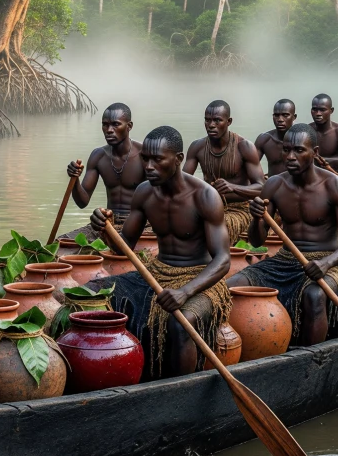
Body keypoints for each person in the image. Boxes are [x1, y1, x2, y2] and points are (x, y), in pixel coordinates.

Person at [86, 126, 232, 380]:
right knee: (92, 291)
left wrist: (185, 292)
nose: (149, 166)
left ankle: (180, 390)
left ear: (178, 159)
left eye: (157, 160)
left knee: (180, 322)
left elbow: (223, 260)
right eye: (145, 159)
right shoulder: (144, 192)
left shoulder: (205, 196)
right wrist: (104, 229)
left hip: (200, 281)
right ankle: (115, 370)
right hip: (157, 273)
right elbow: (123, 246)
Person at [229, 124, 338, 345]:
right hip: (284, 260)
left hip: (326, 262)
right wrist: (256, 218)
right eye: (286, 150)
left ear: (315, 152)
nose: (290, 157)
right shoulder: (274, 184)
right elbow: (256, 241)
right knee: (231, 285)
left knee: (314, 295)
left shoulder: (335, 185)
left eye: (299, 150)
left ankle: (314, 356)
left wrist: (327, 263)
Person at [184, 100, 265, 245]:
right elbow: (183, 183)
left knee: (218, 226)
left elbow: (261, 188)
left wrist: (233, 187)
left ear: (229, 121)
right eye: (207, 120)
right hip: (209, 206)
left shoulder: (244, 147)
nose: (211, 125)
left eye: (217, 120)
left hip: (239, 209)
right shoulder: (197, 147)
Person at [62, 102, 145, 241]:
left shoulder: (144, 154)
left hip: (140, 224)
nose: (109, 130)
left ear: (129, 126)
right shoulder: (98, 156)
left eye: (116, 124)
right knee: (63, 241)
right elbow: (82, 202)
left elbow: (160, 196)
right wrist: (75, 179)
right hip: (108, 223)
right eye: (105, 125)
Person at [309, 93, 338, 173]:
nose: (318, 113)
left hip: (334, 174)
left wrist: (316, 160)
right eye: (314, 109)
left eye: (322, 110)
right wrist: (335, 160)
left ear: (331, 110)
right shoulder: (307, 130)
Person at [254, 99, 298, 176]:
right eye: (276, 115)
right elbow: (251, 166)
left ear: (294, 117)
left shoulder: (303, 140)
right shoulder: (264, 139)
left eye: (285, 115)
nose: (280, 120)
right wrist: (261, 179)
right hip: (273, 183)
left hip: (297, 183)